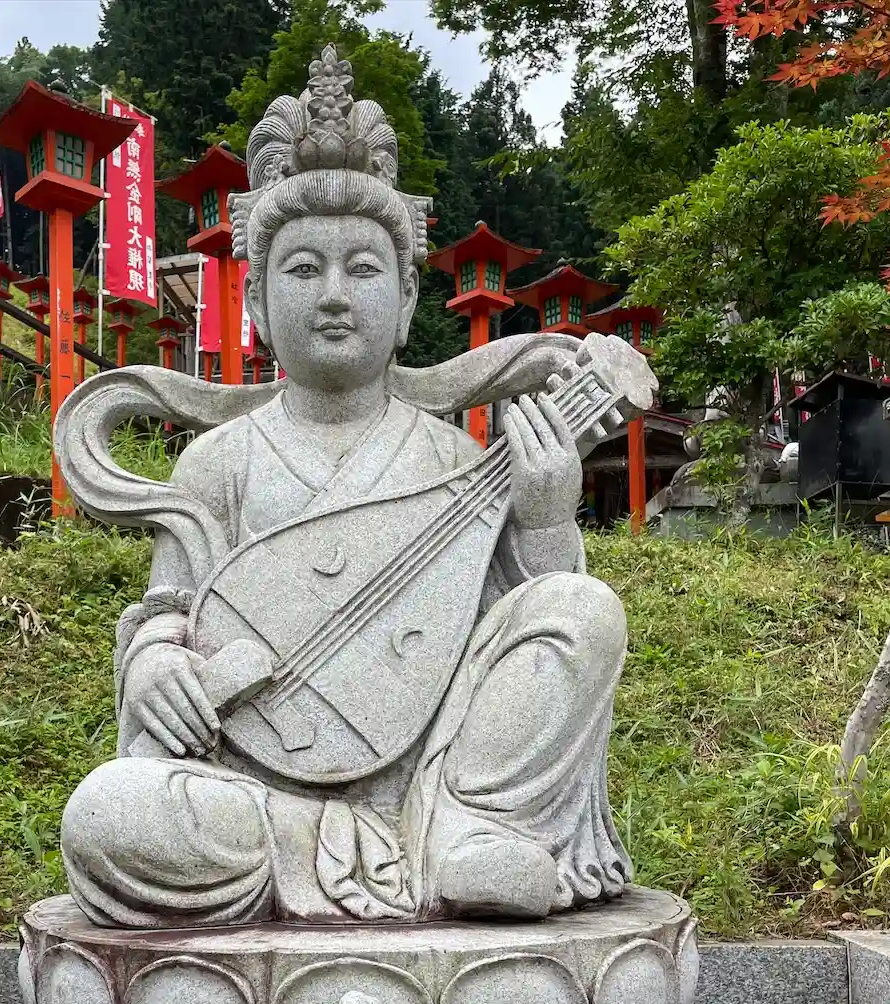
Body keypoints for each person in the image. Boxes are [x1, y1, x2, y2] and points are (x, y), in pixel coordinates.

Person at [59, 47, 632, 928]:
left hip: (433, 777)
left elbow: (514, 644)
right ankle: (366, 855)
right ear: (256, 304)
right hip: (257, 783)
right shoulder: (218, 462)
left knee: (583, 608)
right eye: (301, 270)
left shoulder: (451, 457)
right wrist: (155, 665)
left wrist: (549, 518)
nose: (333, 295)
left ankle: (468, 831)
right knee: (110, 813)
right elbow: (171, 610)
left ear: (405, 305)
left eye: (363, 270)